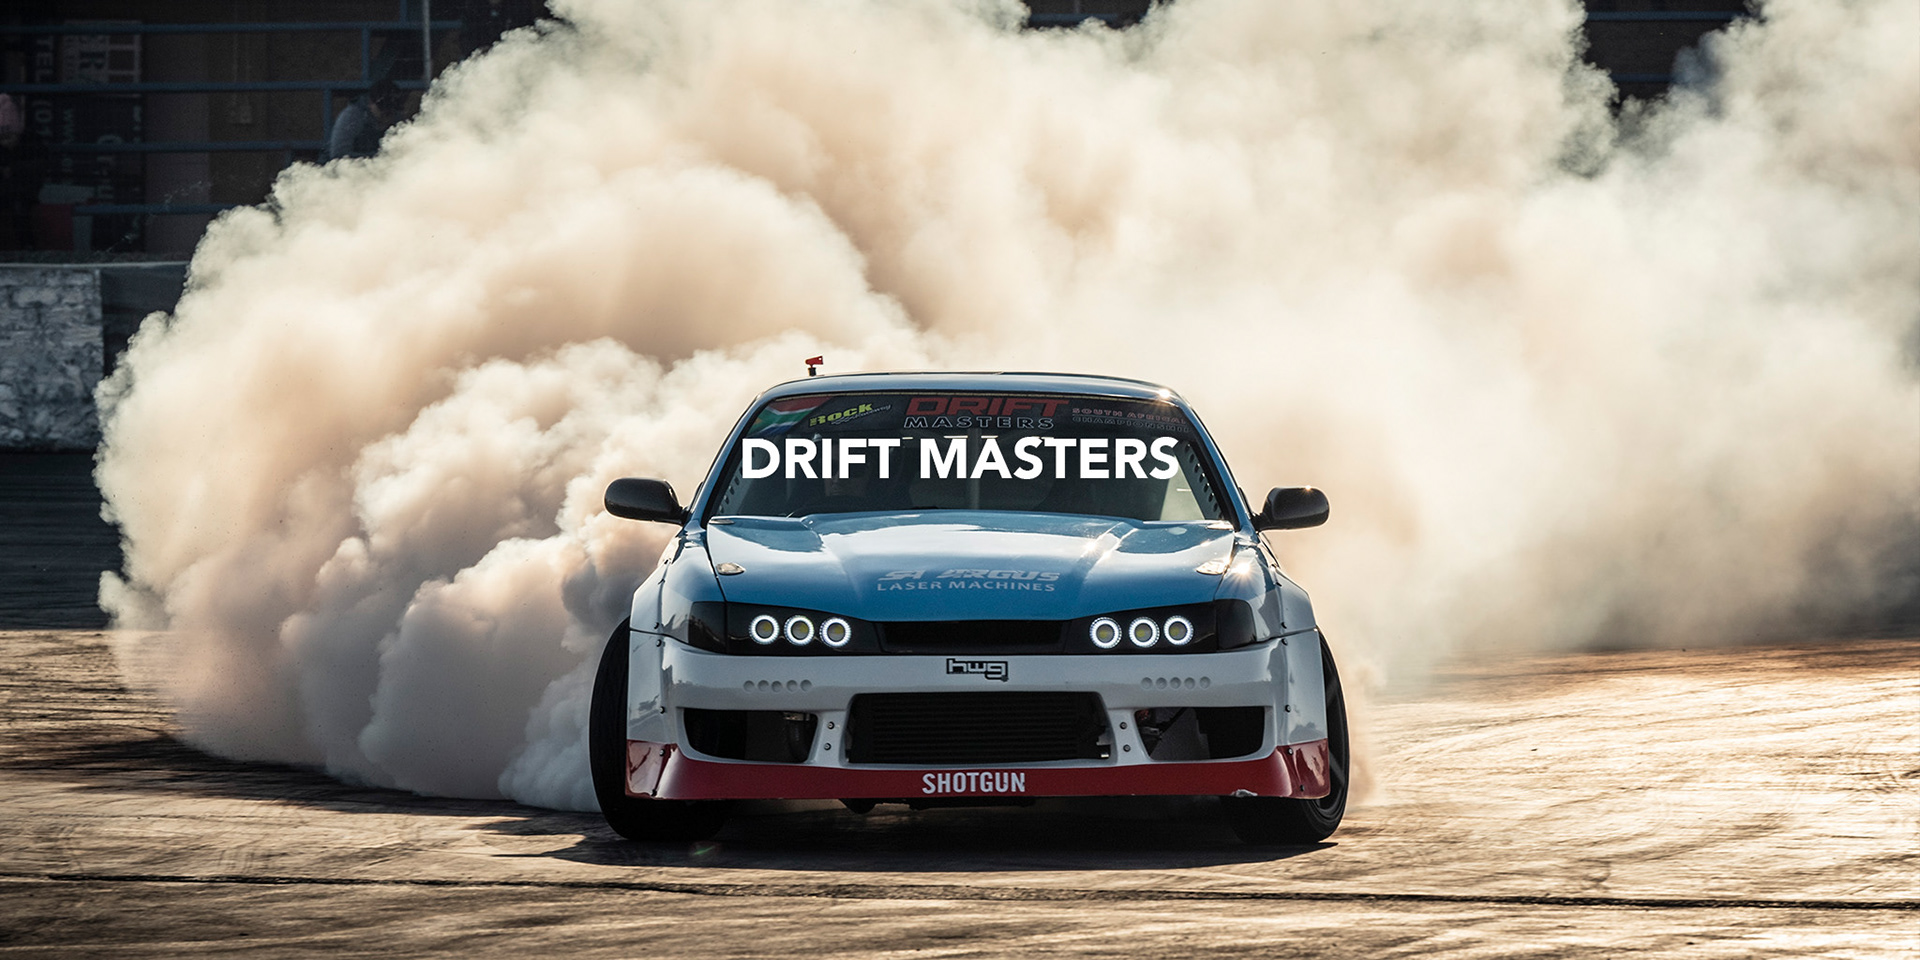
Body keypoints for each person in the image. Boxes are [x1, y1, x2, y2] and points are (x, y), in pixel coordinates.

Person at [324, 77, 404, 161]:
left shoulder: (397, 118)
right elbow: (339, 155)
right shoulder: (352, 116)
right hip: (338, 168)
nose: (386, 114)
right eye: (382, 108)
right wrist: (380, 159)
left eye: (391, 111)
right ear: (370, 103)